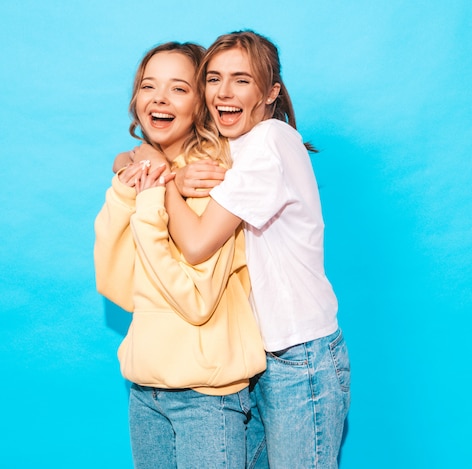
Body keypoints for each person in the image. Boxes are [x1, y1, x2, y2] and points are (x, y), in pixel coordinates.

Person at [163, 30, 351, 468]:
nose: (224, 92)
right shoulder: (231, 148)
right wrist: (142, 164)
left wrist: (166, 184)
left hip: (299, 356)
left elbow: (195, 244)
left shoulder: (270, 139)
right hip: (254, 358)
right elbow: (140, 156)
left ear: (271, 93)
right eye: (213, 78)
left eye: (241, 80)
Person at [94, 41, 266, 468]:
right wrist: (130, 178)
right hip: (146, 390)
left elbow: (197, 301)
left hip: (207, 398)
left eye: (178, 88)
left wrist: (156, 197)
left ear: (200, 105)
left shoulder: (212, 177)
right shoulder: (145, 174)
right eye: (149, 86)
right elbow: (117, 287)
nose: (159, 98)